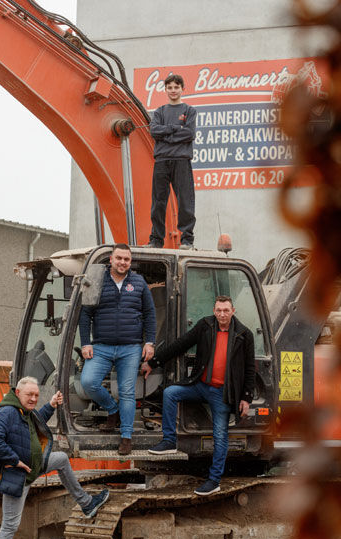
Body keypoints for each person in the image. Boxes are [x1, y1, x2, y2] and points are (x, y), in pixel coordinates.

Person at [0, 376, 110, 539]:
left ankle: (86, 503)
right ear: (17, 393)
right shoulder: (8, 412)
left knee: (60, 459)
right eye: (29, 395)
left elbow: (37, 422)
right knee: (9, 526)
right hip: (19, 475)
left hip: (32, 466)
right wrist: (15, 460)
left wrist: (50, 405)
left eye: (35, 395)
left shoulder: (24, 412)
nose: (33, 398)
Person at [142, 296, 254, 495]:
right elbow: (181, 344)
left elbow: (249, 369)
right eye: (218, 310)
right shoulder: (205, 325)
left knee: (220, 436)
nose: (222, 314)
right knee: (170, 393)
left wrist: (246, 397)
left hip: (223, 393)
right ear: (214, 310)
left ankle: (214, 480)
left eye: (226, 310)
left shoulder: (244, 335)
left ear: (233, 311)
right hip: (200, 386)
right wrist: (153, 362)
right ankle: (169, 441)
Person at [79, 243, 157, 455]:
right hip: (102, 346)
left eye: (127, 259)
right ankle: (112, 410)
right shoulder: (96, 281)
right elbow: (85, 314)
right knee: (88, 382)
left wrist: (150, 342)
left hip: (130, 348)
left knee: (127, 393)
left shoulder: (139, 282)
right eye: (119, 258)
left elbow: (150, 314)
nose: (123, 262)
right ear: (111, 260)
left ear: (130, 262)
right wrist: (85, 342)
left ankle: (126, 437)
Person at [147, 74, 197, 250]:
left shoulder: (189, 111)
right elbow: (154, 131)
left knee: (185, 201)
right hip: (162, 161)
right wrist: (175, 129)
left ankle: (187, 240)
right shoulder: (160, 111)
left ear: (182, 89)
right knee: (159, 202)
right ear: (165, 90)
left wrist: (166, 135)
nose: (173, 90)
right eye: (170, 87)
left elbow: (189, 134)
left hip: (181, 161)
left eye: (176, 87)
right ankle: (156, 240)